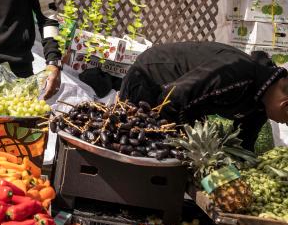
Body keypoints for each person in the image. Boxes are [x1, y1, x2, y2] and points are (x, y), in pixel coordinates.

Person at [119, 41, 288, 150]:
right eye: (287, 120)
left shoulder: (259, 106)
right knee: (135, 146)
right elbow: (173, 98)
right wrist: (182, 144)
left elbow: (244, 143)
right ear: (285, 105)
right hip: (150, 78)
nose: (284, 123)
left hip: (181, 100)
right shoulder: (237, 74)